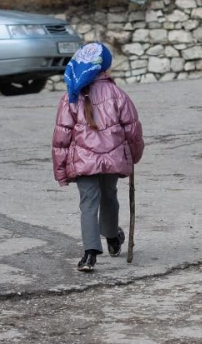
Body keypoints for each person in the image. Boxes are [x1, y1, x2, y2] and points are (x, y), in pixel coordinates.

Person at [52, 42, 145, 272]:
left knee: (88, 203)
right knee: (109, 196)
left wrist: (60, 169)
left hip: (83, 161)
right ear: (105, 67)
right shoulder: (117, 94)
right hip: (113, 159)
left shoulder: (71, 96)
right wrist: (134, 155)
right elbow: (132, 130)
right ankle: (112, 238)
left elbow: (61, 137)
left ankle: (89, 255)